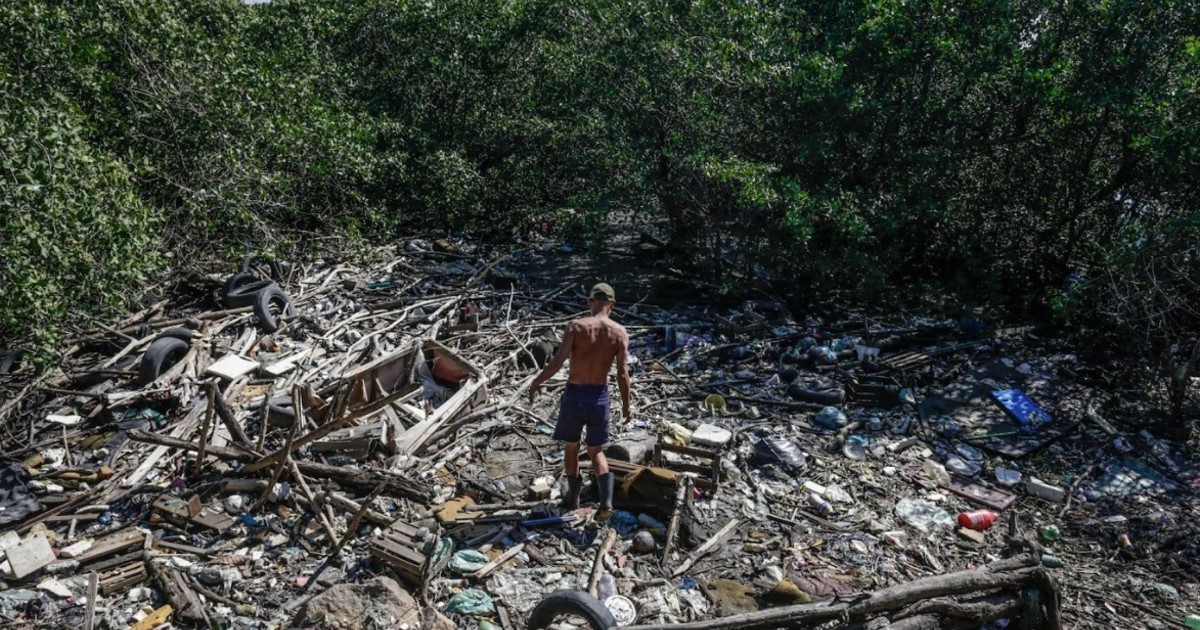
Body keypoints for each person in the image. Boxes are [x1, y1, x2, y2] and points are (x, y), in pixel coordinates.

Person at [528, 282, 631, 522]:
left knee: (572, 447)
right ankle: (606, 502)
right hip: (599, 397)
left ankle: (572, 501)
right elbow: (622, 373)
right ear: (612, 304)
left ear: (589, 302)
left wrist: (536, 382)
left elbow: (557, 362)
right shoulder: (619, 332)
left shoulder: (576, 326)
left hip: (575, 395)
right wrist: (627, 404)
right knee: (596, 450)